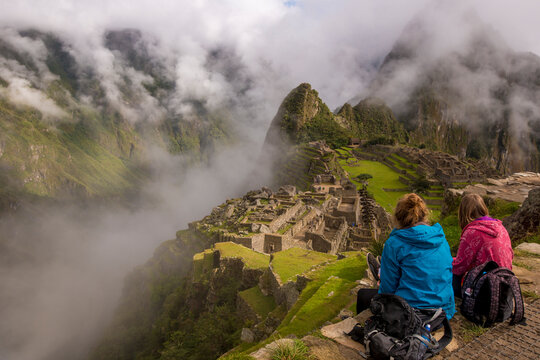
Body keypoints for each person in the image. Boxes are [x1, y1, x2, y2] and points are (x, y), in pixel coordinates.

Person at [357, 193, 456, 319]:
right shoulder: (441, 238)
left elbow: (387, 290)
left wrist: (381, 282)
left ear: (398, 217)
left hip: (411, 315)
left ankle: (368, 331)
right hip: (442, 313)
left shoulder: (395, 243)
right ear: (424, 215)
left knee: (363, 295)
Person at [452, 193, 513, 296]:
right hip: (505, 281)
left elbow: (460, 267)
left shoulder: (471, 232)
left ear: (463, 213)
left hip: (485, 285)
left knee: (450, 275)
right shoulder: (500, 227)